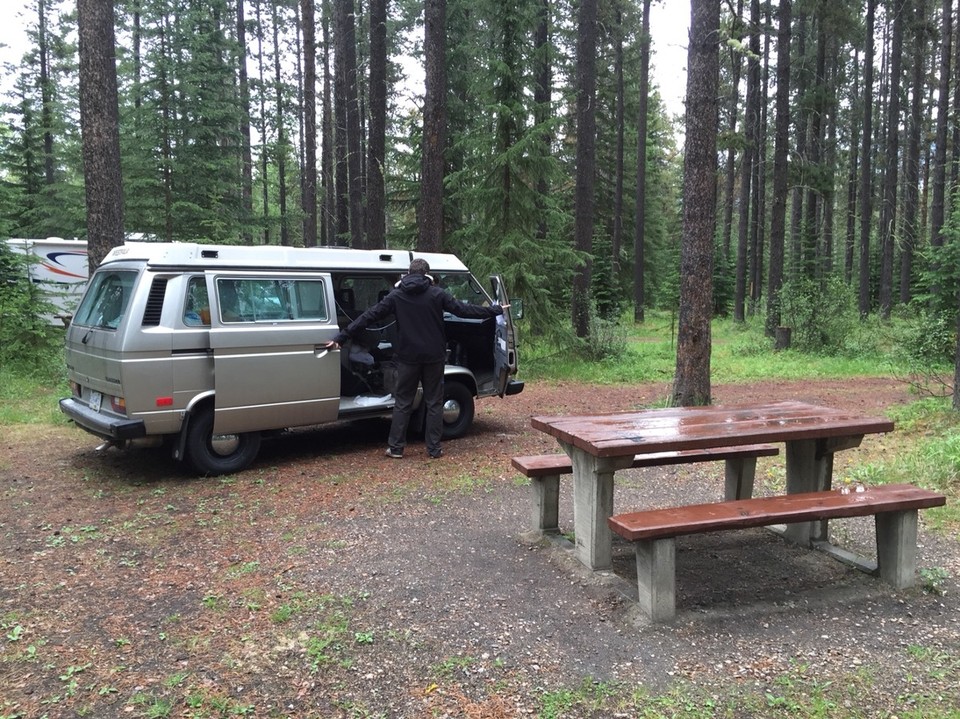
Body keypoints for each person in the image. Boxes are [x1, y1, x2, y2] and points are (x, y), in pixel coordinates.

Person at [325, 258, 508, 459]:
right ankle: (434, 448)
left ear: (408, 273)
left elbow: (368, 317)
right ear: (427, 274)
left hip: (407, 358)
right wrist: (495, 310)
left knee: (403, 401)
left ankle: (396, 448)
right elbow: (464, 310)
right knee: (434, 402)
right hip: (434, 357)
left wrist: (340, 338)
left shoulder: (396, 296)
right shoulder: (437, 294)